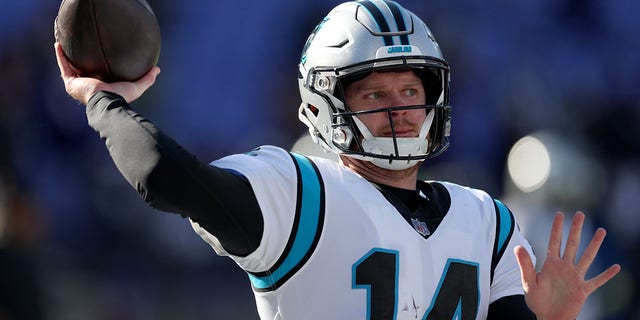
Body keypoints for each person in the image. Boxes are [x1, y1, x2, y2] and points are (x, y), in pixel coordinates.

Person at [54, 1, 620, 319]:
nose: (400, 111)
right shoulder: (297, 190)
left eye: (410, 91)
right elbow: (161, 175)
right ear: (324, 105)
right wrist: (103, 102)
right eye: (374, 94)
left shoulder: (489, 220)